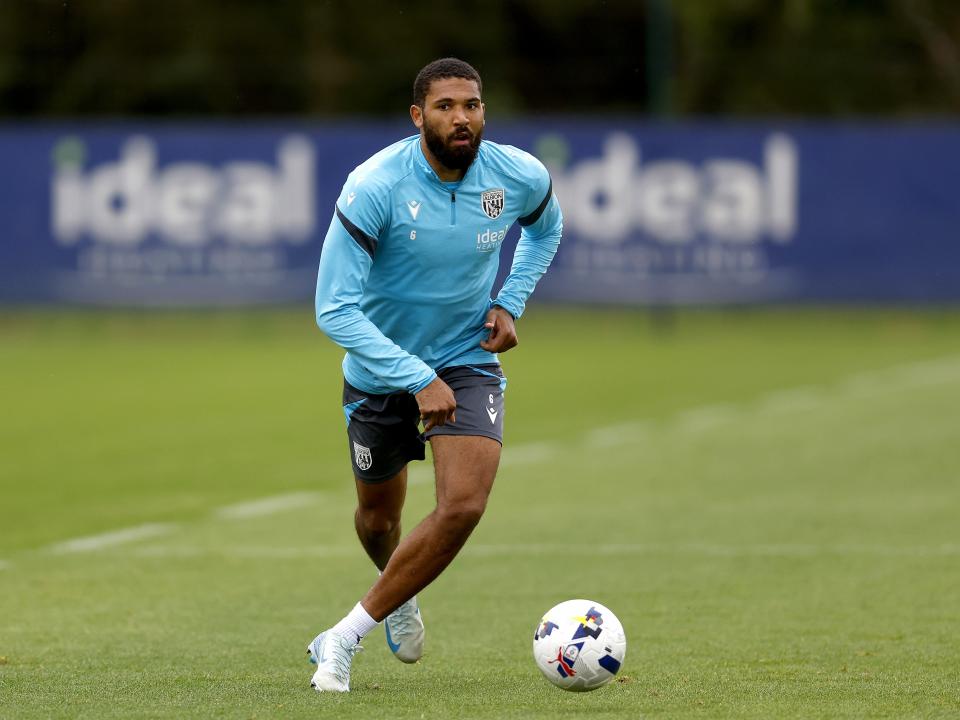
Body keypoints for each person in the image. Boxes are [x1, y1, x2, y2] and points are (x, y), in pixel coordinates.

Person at [308, 57, 562, 693]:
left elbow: (546, 228)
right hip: (379, 367)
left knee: (464, 505)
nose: (462, 118)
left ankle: (341, 638)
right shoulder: (374, 185)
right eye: (446, 106)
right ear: (418, 116)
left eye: (472, 105)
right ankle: (400, 594)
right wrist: (414, 375)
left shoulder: (518, 174)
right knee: (376, 520)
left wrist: (511, 298)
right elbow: (333, 308)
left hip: (467, 357)